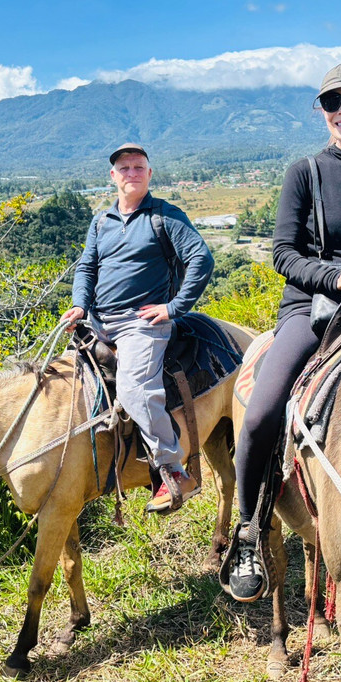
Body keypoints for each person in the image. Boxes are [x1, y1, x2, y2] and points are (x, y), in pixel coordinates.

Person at [226, 61, 341, 601]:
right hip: (315, 309)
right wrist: (337, 274)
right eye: (332, 102)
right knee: (262, 412)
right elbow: (284, 254)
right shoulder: (305, 172)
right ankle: (249, 529)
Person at [62, 143, 215, 513]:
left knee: (135, 390)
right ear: (113, 176)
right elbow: (86, 268)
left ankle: (172, 471)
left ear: (149, 175)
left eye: (138, 167)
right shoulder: (101, 222)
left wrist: (174, 307)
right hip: (97, 320)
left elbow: (201, 258)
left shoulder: (166, 216)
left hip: (141, 324)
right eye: (124, 168)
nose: (131, 173)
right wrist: (80, 304)